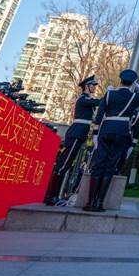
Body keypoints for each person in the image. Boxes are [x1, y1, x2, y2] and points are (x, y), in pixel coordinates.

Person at [84, 69, 139, 212]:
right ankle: (100, 203)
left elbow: (100, 114)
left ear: (120, 81)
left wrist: (96, 132)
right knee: (110, 166)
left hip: (106, 129)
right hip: (121, 132)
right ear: (132, 84)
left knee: (99, 164)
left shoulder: (109, 94)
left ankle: (90, 202)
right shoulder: (134, 97)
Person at [43, 74, 101, 205]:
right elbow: (99, 102)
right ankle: (52, 197)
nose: (94, 88)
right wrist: (109, 96)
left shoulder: (88, 102)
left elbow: (94, 118)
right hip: (76, 133)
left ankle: (54, 196)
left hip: (80, 134)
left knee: (66, 164)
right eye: (93, 85)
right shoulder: (83, 99)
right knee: (63, 165)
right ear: (87, 86)